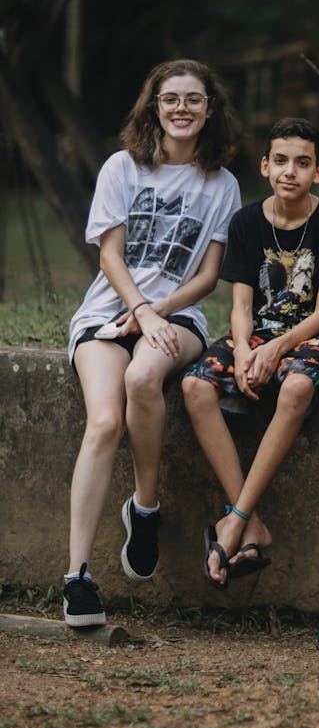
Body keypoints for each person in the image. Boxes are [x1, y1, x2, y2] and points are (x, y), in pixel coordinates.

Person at [63, 60, 242, 627]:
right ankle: (77, 578)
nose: (182, 109)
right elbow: (110, 256)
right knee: (104, 423)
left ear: (209, 109)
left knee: (145, 378)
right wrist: (136, 308)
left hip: (177, 316)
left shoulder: (223, 183)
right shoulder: (123, 167)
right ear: (154, 107)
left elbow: (210, 275)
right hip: (107, 314)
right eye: (171, 99)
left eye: (194, 99)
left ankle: (145, 508)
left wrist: (159, 312)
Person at [182, 118, 319, 588]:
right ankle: (252, 521)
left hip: (313, 336)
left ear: (318, 171)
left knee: (298, 384)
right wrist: (243, 350)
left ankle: (234, 520)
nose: (290, 171)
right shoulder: (245, 222)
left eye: (302, 163)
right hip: (258, 333)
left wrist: (277, 348)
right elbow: (241, 304)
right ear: (265, 166)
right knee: (195, 385)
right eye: (281, 161)